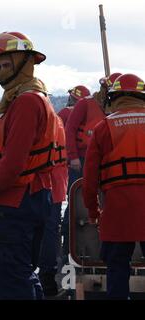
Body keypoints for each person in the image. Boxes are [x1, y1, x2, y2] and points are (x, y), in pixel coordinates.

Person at [0, 31, 61, 299]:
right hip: (36, 196)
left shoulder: (26, 103)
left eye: (6, 64)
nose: (1, 73)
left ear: (23, 63)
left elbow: (13, 163)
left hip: (16, 204)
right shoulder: (37, 98)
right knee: (25, 275)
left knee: (10, 282)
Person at [83, 73, 145, 299]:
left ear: (112, 98)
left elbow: (89, 178)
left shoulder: (103, 127)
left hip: (118, 210)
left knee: (117, 268)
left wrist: (93, 211)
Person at [62, 72, 122, 260]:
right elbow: (70, 130)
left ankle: (104, 246)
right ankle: (67, 250)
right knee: (75, 203)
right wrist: (73, 158)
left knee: (108, 203)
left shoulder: (116, 108)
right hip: (81, 160)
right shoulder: (85, 104)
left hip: (107, 163)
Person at [38, 116, 68, 296]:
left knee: (46, 231)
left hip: (46, 185)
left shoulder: (43, 123)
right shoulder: (56, 121)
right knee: (51, 229)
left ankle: (46, 277)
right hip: (58, 183)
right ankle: (47, 276)